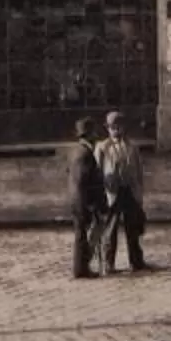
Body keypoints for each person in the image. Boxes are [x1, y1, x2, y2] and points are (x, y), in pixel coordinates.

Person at [96, 108, 148, 273]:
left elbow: (139, 170)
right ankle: (108, 263)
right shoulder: (102, 147)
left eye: (119, 126)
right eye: (112, 127)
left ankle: (136, 261)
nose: (116, 130)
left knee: (132, 227)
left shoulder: (132, 147)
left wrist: (139, 191)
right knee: (110, 228)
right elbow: (97, 172)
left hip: (129, 190)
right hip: (112, 192)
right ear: (107, 128)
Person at [67, 115, 105, 279]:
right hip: (83, 199)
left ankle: (80, 267)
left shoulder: (74, 151)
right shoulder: (85, 153)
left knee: (80, 233)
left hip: (75, 197)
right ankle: (81, 268)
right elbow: (85, 180)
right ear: (89, 135)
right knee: (82, 234)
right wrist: (93, 201)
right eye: (94, 134)